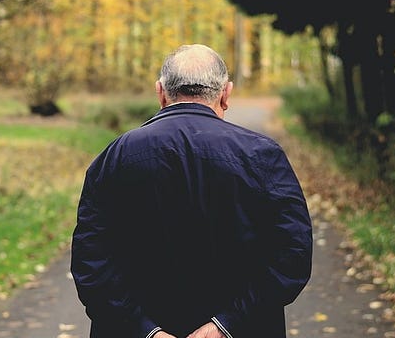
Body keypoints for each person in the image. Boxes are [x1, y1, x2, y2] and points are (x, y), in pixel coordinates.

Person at [72, 44, 313, 338]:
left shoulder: (115, 157)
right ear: (226, 94)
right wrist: (227, 324)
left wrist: (146, 331)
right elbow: (293, 254)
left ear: (161, 93)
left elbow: (91, 261)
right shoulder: (263, 156)